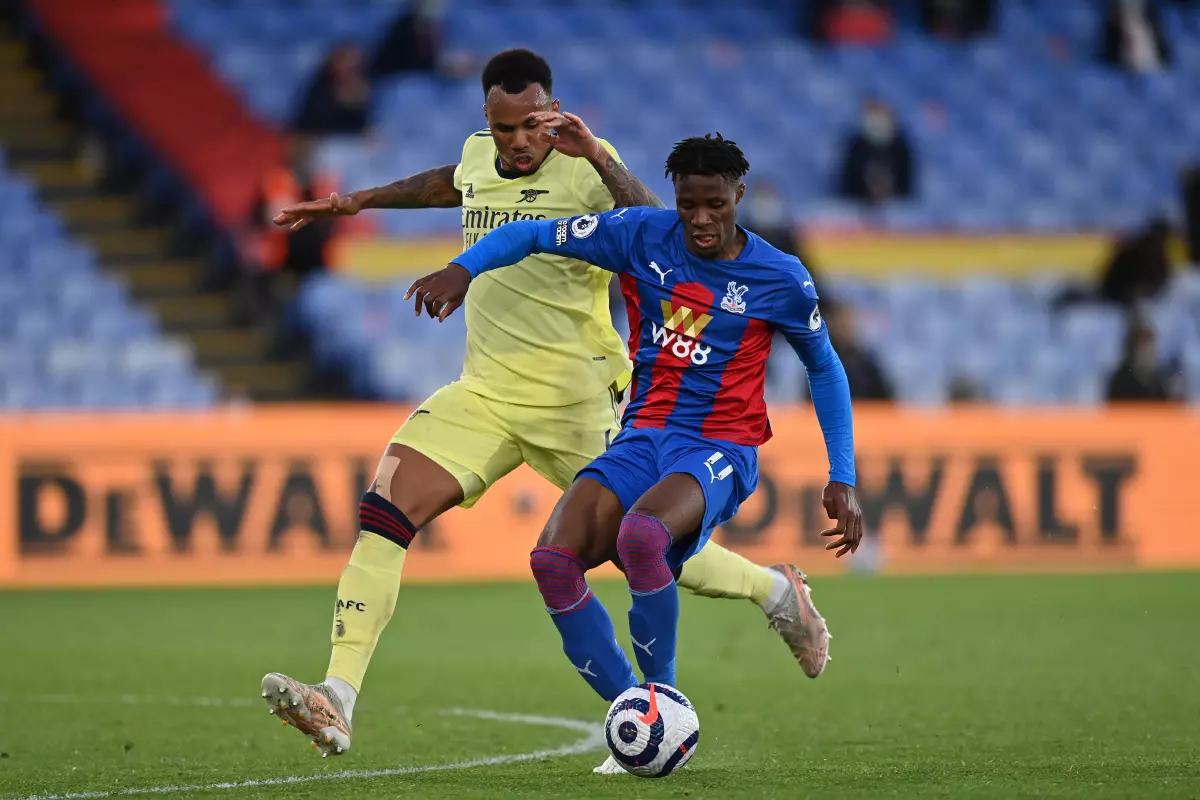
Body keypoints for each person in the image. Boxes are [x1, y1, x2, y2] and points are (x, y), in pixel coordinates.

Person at [260, 50, 831, 758]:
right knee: (383, 513)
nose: (520, 141)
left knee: (645, 548)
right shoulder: (477, 156)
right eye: (505, 129)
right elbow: (453, 184)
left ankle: (774, 592)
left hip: (579, 394)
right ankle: (338, 697)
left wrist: (594, 154)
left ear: (552, 111)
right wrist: (356, 201)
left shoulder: (589, 164)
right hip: (486, 391)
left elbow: (662, 235)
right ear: (487, 121)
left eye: (533, 125)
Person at [406, 132, 863, 774]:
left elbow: (826, 369)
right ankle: (641, 721)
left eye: (715, 205)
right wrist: (464, 268)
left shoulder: (779, 276)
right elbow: (534, 234)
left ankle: (665, 701)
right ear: (674, 198)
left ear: (739, 196)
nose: (701, 220)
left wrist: (842, 475)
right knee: (552, 562)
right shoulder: (641, 235)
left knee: (642, 538)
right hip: (641, 436)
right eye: (688, 205)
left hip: (720, 447)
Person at [837, 98, 915, 206]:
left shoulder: (901, 148)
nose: (878, 120)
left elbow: (907, 183)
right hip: (858, 204)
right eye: (874, 114)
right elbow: (846, 179)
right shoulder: (856, 146)